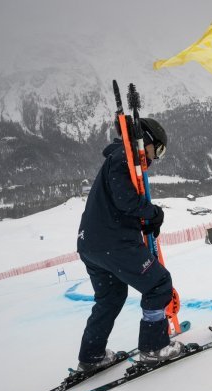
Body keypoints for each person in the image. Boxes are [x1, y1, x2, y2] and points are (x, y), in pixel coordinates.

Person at [75, 117, 184, 372]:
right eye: (157, 150)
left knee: (111, 298)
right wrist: (153, 212)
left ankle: (92, 355)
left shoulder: (119, 158)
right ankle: (153, 347)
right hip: (114, 243)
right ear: (144, 140)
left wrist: (143, 222)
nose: (156, 158)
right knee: (158, 284)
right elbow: (126, 201)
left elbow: (119, 206)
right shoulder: (124, 158)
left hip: (92, 244)